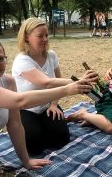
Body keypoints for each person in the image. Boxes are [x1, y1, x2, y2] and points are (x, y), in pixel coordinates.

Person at [0, 38, 94, 176]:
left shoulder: (8, 82)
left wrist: (26, 161)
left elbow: (15, 125)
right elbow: (19, 101)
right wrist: (67, 89)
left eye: (0, 59)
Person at [12, 17, 97, 155]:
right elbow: (47, 82)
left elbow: (58, 80)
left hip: (47, 105)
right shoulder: (22, 60)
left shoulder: (51, 55)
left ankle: (42, 128)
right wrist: (79, 81)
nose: (45, 39)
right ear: (27, 38)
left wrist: (53, 105)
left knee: (62, 139)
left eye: (46, 35)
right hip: (27, 108)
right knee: (33, 147)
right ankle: (36, 131)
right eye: (40, 36)